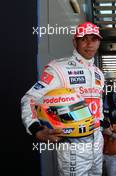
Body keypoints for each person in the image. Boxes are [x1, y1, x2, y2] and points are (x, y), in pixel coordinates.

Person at [21, 21, 105, 175]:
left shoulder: (99, 73)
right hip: (72, 144)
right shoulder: (60, 68)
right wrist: (36, 129)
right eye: (84, 39)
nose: (89, 43)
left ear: (99, 42)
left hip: (97, 140)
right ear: (75, 42)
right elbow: (30, 99)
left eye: (94, 39)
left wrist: (104, 125)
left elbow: (97, 106)